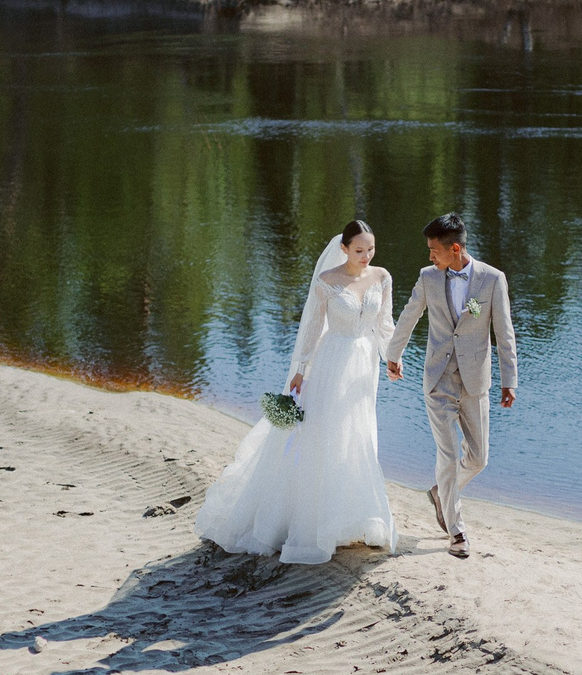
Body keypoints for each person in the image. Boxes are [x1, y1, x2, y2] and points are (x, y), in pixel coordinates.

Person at [196, 221, 397, 565]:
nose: (366, 256)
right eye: (359, 250)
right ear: (345, 248)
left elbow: (385, 323)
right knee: (326, 434)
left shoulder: (382, 277)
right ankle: (315, 522)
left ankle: (354, 515)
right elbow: (314, 327)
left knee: (358, 435)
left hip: (365, 368)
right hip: (333, 362)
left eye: (371, 249)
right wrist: (301, 370)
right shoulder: (327, 281)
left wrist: (392, 357)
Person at [384, 212, 516, 560]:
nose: (430, 256)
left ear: (454, 249)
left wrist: (509, 380)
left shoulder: (492, 280)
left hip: (476, 382)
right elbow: (410, 314)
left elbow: (504, 333)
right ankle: (456, 531)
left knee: (479, 458)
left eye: (434, 250)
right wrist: (393, 354)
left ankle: (440, 492)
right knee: (446, 453)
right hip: (438, 379)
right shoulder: (428, 277)